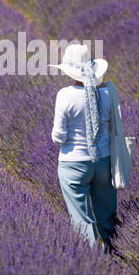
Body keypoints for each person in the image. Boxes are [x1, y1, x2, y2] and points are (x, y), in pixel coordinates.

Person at [48, 43, 118, 254]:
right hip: (104, 161)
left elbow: (59, 135)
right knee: (107, 213)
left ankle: (92, 261)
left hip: (73, 164)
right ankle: (113, 253)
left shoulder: (65, 95)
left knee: (81, 218)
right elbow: (113, 126)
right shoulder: (107, 93)